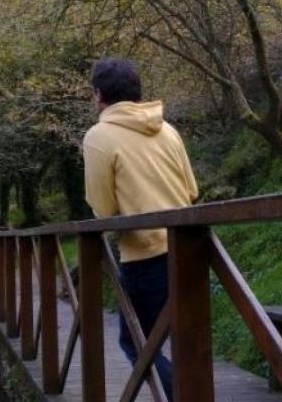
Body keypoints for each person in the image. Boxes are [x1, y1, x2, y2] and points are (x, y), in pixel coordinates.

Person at [82, 58, 198, 401]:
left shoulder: (99, 136)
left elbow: (104, 210)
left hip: (146, 254)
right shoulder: (168, 129)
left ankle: (185, 395)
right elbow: (191, 190)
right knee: (186, 339)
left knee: (136, 344)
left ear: (99, 94)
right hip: (190, 249)